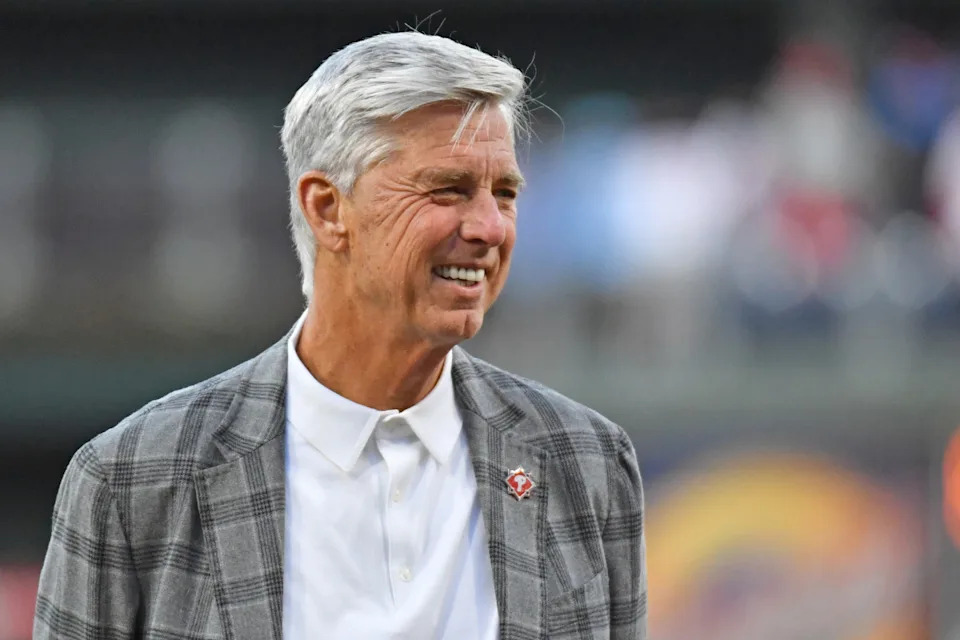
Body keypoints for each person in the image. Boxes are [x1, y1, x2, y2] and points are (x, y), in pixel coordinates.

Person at [34, 31, 647, 640]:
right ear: (328, 209)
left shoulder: (588, 462)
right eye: (447, 189)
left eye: (505, 194)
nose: (490, 226)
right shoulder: (132, 480)